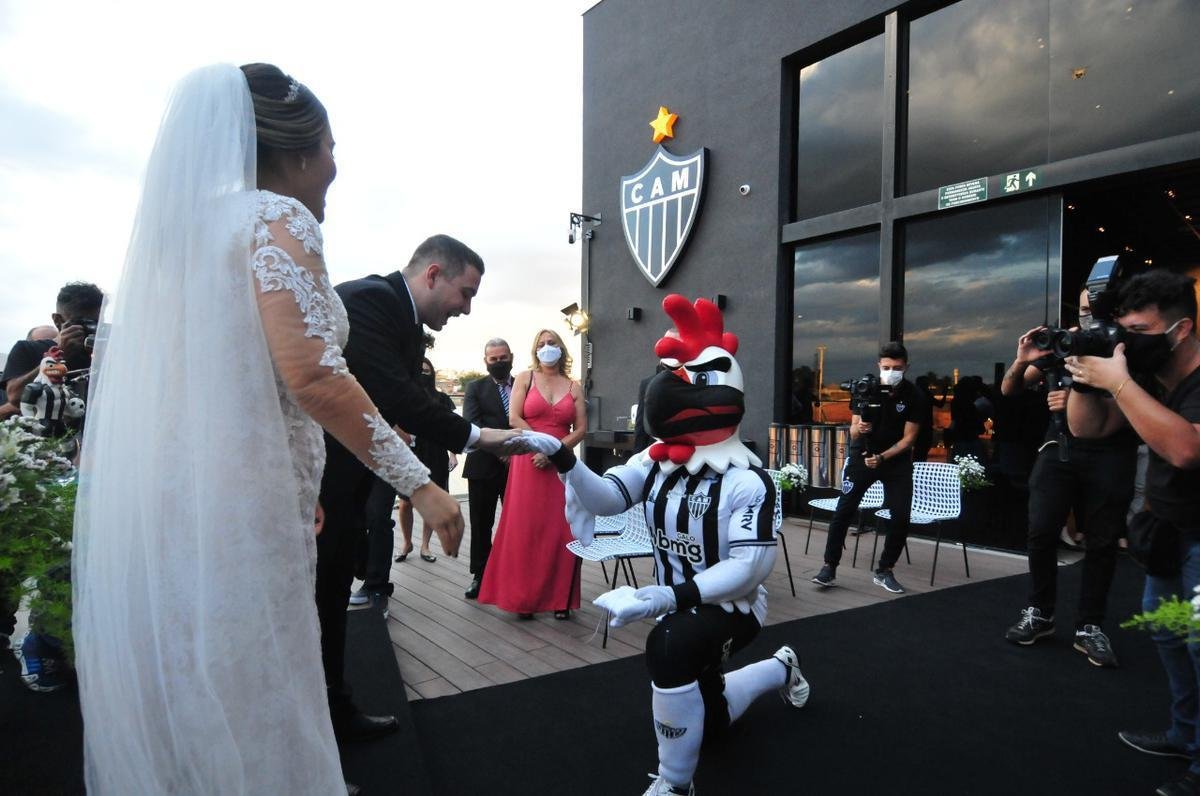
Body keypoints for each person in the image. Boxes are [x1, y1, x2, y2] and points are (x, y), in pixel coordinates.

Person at [72, 63, 458, 794]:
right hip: (242, 507)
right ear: (303, 149)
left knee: (204, 672)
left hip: (187, 494)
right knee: (260, 676)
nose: (336, 166)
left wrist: (296, 475)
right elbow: (311, 375)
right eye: (333, 146)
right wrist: (422, 485)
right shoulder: (276, 220)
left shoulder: (186, 233)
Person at [522, 294, 810, 796]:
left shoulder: (749, 481)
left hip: (732, 605)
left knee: (670, 645)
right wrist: (567, 462)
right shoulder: (657, 461)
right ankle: (782, 666)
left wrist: (662, 597)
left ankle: (676, 783)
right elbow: (609, 498)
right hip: (677, 602)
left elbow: (747, 570)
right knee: (712, 713)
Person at [317, 234, 524, 741]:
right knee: (314, 608)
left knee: (329, 601)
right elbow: (393, 396)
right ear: (433, 274)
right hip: (314, 486)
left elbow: (403, 402)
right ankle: (315, 730)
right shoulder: (369, 301)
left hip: (346, 482)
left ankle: (334, 712)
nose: (467, 309)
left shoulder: (405, 321)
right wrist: (481, 438)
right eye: (466, 293)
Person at [1065, 270, 1200, 796]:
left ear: (1181, 329)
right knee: (1172, 642)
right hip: (1168, 538)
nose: (1128, 342)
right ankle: (1187, 737)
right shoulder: (1149, 381)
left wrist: (1118, 382)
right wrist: (1083, 379)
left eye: (1140, 330)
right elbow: (1087, 428)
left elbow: (1187, 449)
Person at [999, 288, 1137, 667]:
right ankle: (1040, 613)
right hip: (1058, 449)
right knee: (1041, 531)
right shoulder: (1065, 342)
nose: (1090, 316)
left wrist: (1081, 398)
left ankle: (1090, 626)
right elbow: (1010, 389)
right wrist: (1020, 359)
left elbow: (1138, 400)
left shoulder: (1129, 344)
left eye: (1098, 308)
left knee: (1103, 540)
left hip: (1111, 451)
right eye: (1083, 309)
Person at [478, 329, 585, 619]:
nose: (547, 347)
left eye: (552, 343)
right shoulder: (525, 378)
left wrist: (554, 452)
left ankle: (562, 600)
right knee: (525, 528)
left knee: (564, 528)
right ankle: (522, 599)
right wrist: (542, 445)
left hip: (561, 464)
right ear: (534, 350)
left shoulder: (574, 386)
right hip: (528, 460)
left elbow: (581, 429)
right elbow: (514, 418)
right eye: (542, 344)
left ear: (561, 348)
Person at [812, 341, 925, 594]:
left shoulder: (914, 395)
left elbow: (909, 439)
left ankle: (885, 570)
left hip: (894, 462)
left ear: (906, 367)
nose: (891, 372)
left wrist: (883, 457)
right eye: (886, 367)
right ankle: (829, 567)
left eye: (897, 367)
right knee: (844, 510)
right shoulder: (865, 388)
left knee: (900, 515)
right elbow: (852, 431)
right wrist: (859, 427)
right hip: (862, 457)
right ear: (878, 365)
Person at [351, 358, 458, 610]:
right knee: (353, 519)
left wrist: (471, 441)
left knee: (379, 516)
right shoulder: (356, 375)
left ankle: (377, 587)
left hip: (388, 459)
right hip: (351, 455)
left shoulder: (408, 390)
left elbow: (436, 420)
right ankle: (362, 566)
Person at [2, 283, 102, 421]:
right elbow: (15, 397)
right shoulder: (27, 349)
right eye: (81, 322)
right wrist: (58, 356)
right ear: (58, 320)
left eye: (96, 323)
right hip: (49, 437)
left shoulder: (106, 353)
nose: (90, 328)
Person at [462, 338, 514, 598]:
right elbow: (473, 424)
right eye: (493, 359)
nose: (498, 362)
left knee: (516, 522)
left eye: (503, 357)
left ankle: (514, 572)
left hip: (519, 468)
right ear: (486, 361)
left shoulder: (524, 386)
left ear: (511, 357)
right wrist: (501, 450)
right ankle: (480, 575)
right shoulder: (475, 388)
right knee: (481, 523)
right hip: (483, 466)